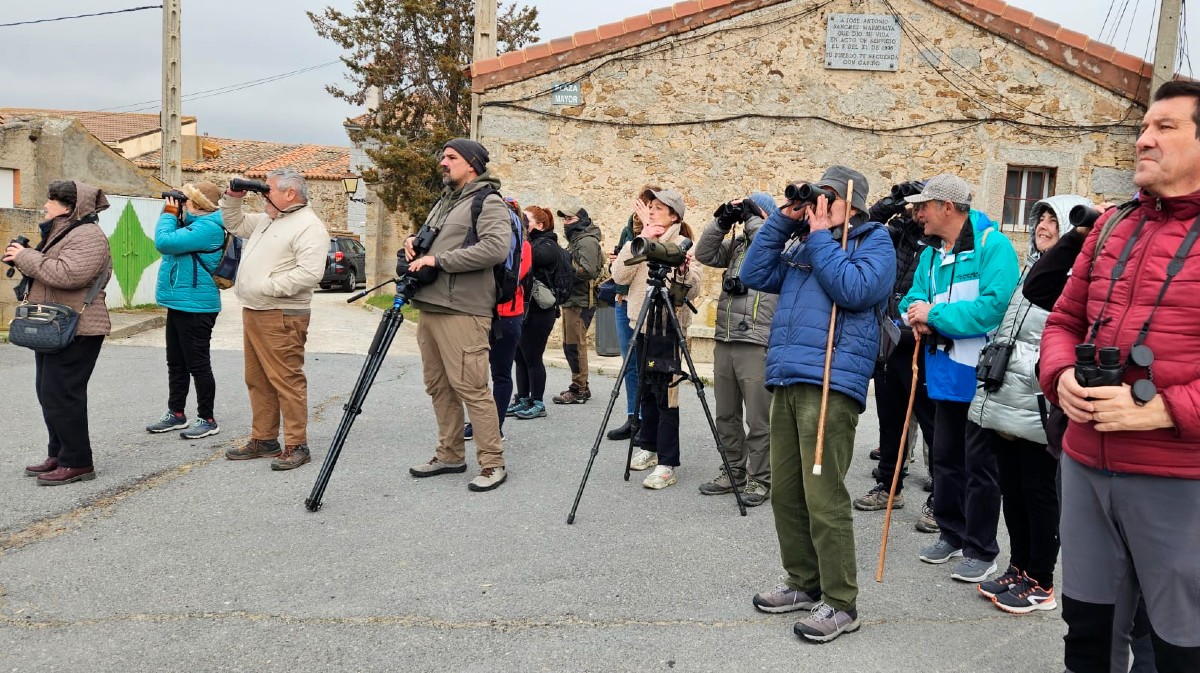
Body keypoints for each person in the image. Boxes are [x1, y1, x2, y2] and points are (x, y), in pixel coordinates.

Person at [1040, 81, 1200, 673]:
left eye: (1165, 127)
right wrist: (1058, 376)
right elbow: (1062, 320)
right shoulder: (1112, 227)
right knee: (1086, 633)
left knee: (1178, 645)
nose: (1144, 138)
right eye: (1144, 127)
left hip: (1180, 479)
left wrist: (1165, 409)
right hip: (1086, 466)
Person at [741, 166, 895, 642]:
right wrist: (785, 220)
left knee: (823, 495)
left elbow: (855, 290)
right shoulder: (807, 239)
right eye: (817, 196)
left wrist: (823, 235)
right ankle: (803, 583)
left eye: (830, 197)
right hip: (787, 376)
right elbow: (754, 273)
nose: (819, 204)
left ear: (855, 203)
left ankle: (842, 602)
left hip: (832, 380)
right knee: (787, 493)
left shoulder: (876, 242)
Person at [967, 195, 1086, 615]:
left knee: (1038, 493)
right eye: (1042, 218)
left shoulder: (1073, 276)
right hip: (1008, 394)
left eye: (1056, 220)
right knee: (1012, 489)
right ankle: (1019, 569)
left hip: (1038, 399)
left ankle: (1042, 581)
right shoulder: (1030, 268)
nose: (1044, 225)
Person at [901, 174, 1019, 585]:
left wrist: (931, 316)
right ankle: (951, 532)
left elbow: (992, 310)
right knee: (945, 460)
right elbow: (909, 298)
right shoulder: (932, 254)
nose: (918, 214)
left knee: (979, 468)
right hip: (943, 373)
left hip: (981, 377)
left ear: (947, 208)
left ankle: (981, 549)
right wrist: (916, 312)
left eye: (924, 206)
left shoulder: (994, 246)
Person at [405, 138, 511, 492]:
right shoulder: (445, 203)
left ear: (472, 164)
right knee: (438, 386)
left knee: (472, 388)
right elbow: (437, 244)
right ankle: (449, 454)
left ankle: (492, 463)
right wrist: (414, 244)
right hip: (431, 305)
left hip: (465, 310)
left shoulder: (488, 201)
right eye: (443, 157)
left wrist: (438, 260)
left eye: (451, 157)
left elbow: (496, 249)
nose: (442, 162)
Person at [220, 168, 328, 470]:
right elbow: (235, 222)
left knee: (286, 380)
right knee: (257, 379)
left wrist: (266, 287)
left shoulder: (308, 226)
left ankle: (297, 445)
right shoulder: (270, 219)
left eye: (267, 189)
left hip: (281, 314)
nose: (262, 194)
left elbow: (309, 273)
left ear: (290, 194)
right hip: (255, 311)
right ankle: (264, 439)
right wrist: (233, 197)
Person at [7, 181, 112, 485]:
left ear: (69, 206)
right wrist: (22, 258)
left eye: (50, 201)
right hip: (57, 323)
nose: (45, 206)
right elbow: (48, 268)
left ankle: (78, 461)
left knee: (63, 394)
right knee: (48, 391)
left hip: (79, 326)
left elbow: (68, 274)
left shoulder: (89, 235)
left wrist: (26, 256)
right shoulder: (65, 230)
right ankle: (59, 453)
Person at [855, 186, 937, 522]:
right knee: (890, 422)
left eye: (922, 206)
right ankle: (889, 486)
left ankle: (941, 499)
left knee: (932, 424)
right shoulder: (896, 233)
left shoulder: (939, 242)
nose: (917, 213)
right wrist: (893, 203)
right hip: (890, 336)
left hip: (922, 340)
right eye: (914, 207)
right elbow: (866, 225)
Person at [611, 188, 701, 489]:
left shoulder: (683, 244)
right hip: (640, 324)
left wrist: (682, 268)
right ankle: (647, 447)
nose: (651, 210)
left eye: (659, 208)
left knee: (666, 397)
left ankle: (667, 463)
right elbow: (618, 276)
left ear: (674, 215)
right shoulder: (640, 240)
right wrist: (638, 242)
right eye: (649, 206)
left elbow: (694, 287)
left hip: (668, 329)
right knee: (645, 392)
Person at [694, 192, 779, 507]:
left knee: (759, 419)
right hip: (726, 338)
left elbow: (767, 244)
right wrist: (721, 221)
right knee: (726, 414)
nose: (744, 218)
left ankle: (760, 479)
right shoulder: (738, 245)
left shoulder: (778, 244)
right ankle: (732, 472)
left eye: (749, 213)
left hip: (756, 341)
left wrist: (755, 215)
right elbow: (705, 253)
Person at [144, 181, 226, 439]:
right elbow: (172, 234)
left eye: (186, 199)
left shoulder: (209, 227)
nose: (182, 203)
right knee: (176, 363)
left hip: (198, 306)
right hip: (180, 302)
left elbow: (164, 242)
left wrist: (169, 213)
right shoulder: (192, 223)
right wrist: (173, 211)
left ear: (198, 203)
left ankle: (207, 418)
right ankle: (176, 413)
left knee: (198, 364)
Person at [465, 197, 531, 440]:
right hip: (487, 313)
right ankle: (479, 423)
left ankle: (496, 426)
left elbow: (516, 275)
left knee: (500, 373)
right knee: (476, 375)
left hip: (505, 316)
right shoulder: (491, 243)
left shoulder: (522, 246)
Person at [606, 185, 657, 440]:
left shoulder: (662, 233)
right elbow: (620, 267)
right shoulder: (628, 229)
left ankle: (648, 420)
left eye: (647, 206)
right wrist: (614, 261)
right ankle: (632, 417)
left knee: (645, 362)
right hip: (621, 298)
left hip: (644, 302)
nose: (640, 211)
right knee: (629, 364)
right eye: (640, 205)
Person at [511, 206, 560, 421]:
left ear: (539, 225)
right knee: (519, 357)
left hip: (541, 311)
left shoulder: (547, 244)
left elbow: (533, 258)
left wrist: (519, 234)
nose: (523, 224)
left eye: (526, 221)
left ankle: (538, 402)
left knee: (532, 357)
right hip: (526, 308)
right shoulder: (530, 242)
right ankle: (523, 398)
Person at [551, 203, 603, 405]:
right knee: (569, 345)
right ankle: (580, 386)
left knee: (575, 346)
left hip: (582, 300)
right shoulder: (576, 240)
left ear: (581, 220)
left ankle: (579, 389)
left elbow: (588, 271)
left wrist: (566, 266)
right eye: (564, 219)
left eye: (570, 219)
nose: (566, 223)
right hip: (572, 298)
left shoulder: (587, 241)